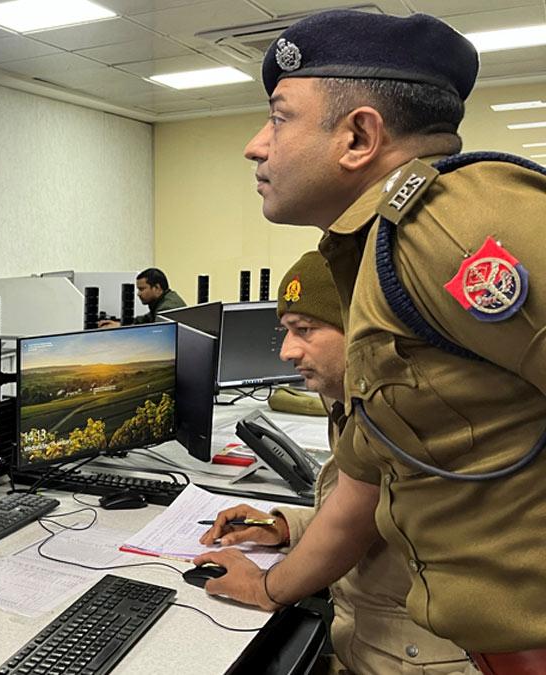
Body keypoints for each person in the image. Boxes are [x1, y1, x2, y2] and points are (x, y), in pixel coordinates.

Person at [195, 10, 546, 671]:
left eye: (278, 116)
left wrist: (270, 584)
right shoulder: (374, 252)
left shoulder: (455, 226)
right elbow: (368, 473)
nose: (256, 144)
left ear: (358, 136)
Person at [199, 251, 470, 674]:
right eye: (286, 331)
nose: (287, 351)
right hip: (371, 640)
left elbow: (352, 525)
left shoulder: (400, 411)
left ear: (361, 330)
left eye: (304, 330)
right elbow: (377, 519)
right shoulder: (351, 402)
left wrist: (262, 587)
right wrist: (282, 526)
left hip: (413, 659)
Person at [98, 268, 185, 327]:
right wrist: (120, 324)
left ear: (157, 288)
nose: (138, 294)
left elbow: (155, 335)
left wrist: (120, 328)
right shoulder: (162, 301)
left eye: (142, 289)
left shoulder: (167, 308)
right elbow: (144, 320)